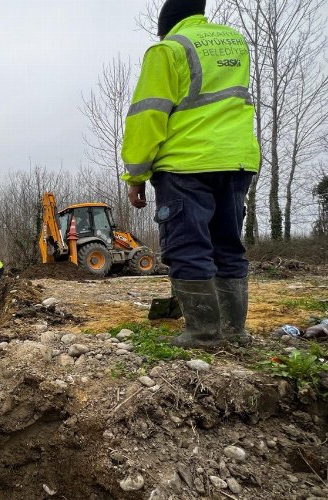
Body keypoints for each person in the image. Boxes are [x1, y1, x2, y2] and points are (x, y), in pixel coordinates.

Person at [121, 0, 260, 348]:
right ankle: (234, 331)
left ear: (166, 25)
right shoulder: (234, 45)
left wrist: (136, 174)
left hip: (186, 165)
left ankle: (203, 333)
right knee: (227, 245)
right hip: (236, 161)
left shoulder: (168, 49)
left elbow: (147, 115)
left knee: (188, 246)